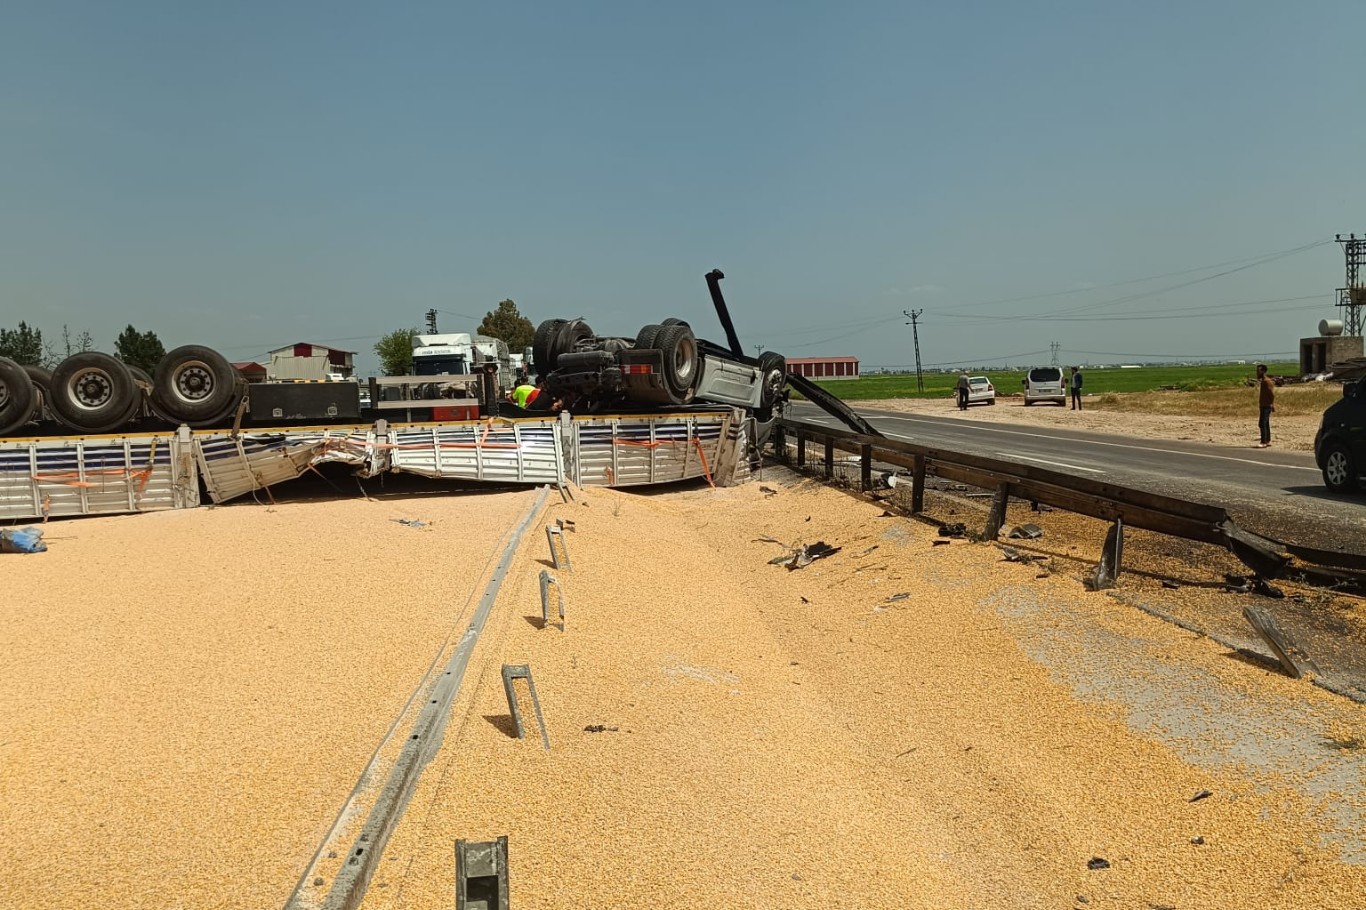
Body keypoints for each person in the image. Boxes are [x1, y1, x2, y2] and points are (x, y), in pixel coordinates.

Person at [1256, 364, 1275, 447]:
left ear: (1263, 371)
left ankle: (1263, 442)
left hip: (1266, 406)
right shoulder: (1263, 381)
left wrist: (1271, 404)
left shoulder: (1267, 382)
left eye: (1258, 371)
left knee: (1262, 423)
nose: (1257, 373)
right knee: (1265, 423)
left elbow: (1272, 394)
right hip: (1263, 405)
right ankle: (1267, 440)